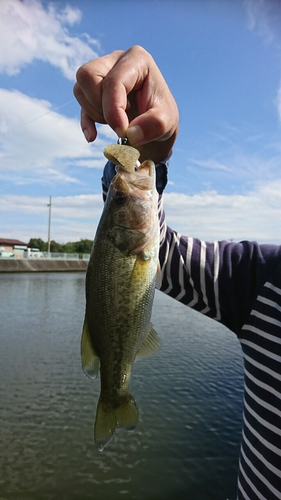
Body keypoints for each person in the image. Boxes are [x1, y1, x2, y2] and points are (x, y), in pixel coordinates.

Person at [74, 45, 281, 500]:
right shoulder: (260, 280)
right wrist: (140, 153)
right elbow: (159, 248)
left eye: (119, 198)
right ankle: (115, 393)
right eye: (118, 198)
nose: (122, 193)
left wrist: (131, 196)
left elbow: (144, 240)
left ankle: (114, 395)